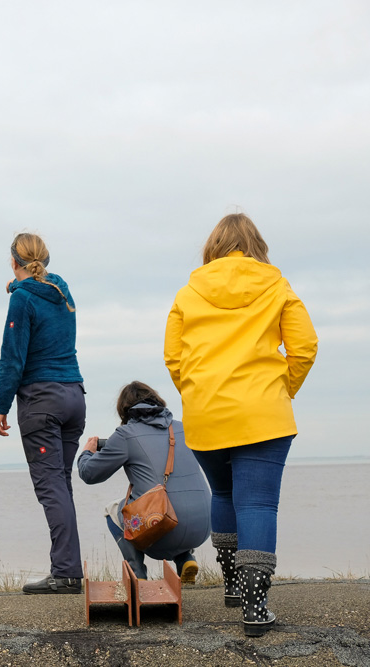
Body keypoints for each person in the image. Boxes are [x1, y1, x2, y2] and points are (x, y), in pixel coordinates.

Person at [164, 213, 317, 636]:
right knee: (258, 504)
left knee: (225, 493)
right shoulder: (276, 285)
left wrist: (198, 395)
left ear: (212, 247)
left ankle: (232, 583)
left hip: (206, 413)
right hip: (264, 414)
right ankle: (254, 608)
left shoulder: (188, 293)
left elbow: (174, 358)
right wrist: (280, 389)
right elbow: (304, 347)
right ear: (257, 246)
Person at [0, 232, 86, 594]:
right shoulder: (63, 293)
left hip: (42, 399)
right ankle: (68, 568)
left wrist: (0, 406)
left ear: (13, 261)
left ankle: (64, 573)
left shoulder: (23, 299)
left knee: (51, 488)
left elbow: (13, 358)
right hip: (74, 394)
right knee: (60, 485)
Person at [77, 381, 211, 582]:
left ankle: (137, 576)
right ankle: (185, 558)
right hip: (204, 525)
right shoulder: (184, 428)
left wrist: (87, 452)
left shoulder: (125, 435)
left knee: (114, 511)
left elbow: (89, 474)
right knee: (178, 499)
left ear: (125, 410)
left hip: (162, 530)